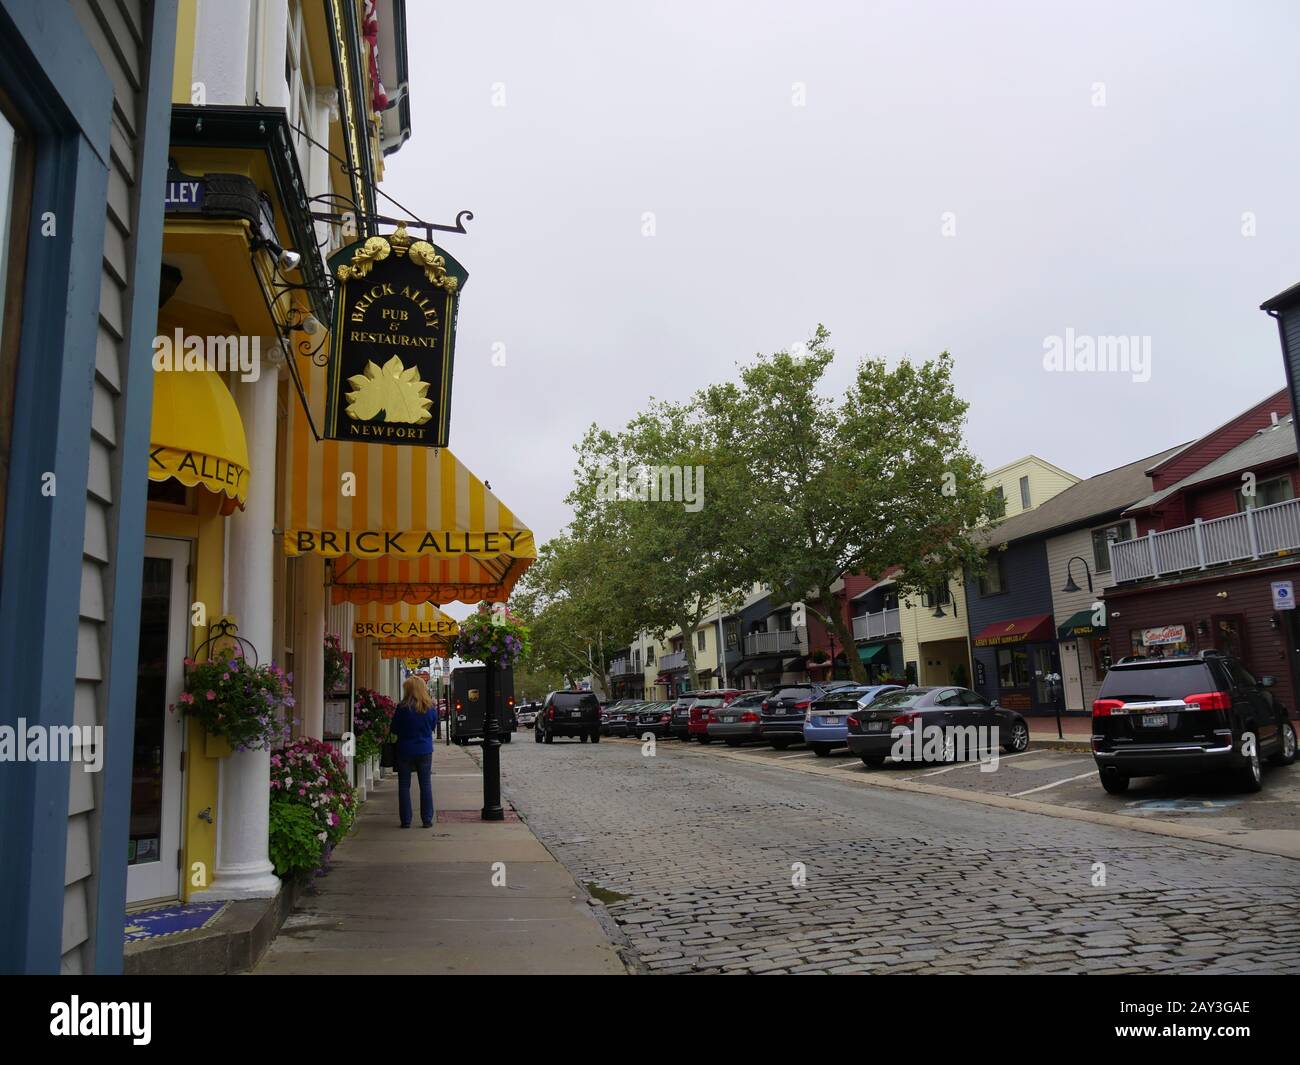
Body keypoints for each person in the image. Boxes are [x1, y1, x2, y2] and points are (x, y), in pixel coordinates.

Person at [391, 676, 438, 828]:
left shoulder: (402, 708)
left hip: (405, 749)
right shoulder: (430, 708)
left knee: (404, 785)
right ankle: (427, 819)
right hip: (424, 749)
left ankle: (406, 820)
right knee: (425, 784)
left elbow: (394, 729)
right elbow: (432, 727)